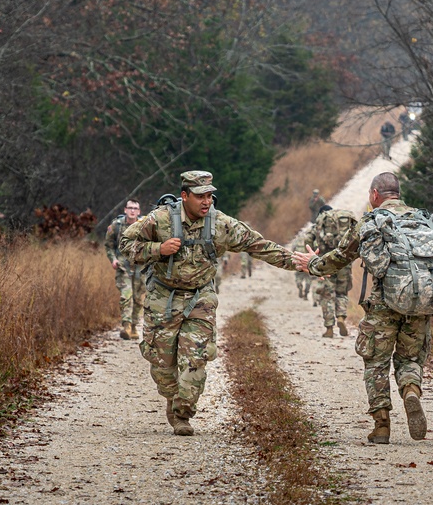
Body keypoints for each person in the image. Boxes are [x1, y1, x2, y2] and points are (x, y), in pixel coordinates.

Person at [292, 172, 433, 445]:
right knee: (410, 359)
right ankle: (411, 390)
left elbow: (341, 256)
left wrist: (312, 265)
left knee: (375, 361)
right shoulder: (427, 220)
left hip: (384, 304)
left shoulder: (370, 221)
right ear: (398, 193)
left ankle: (382, 426)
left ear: (375, 195)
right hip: (420, 301)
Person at [120, 170, 297, 436]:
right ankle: (172, 399)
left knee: (196, 360)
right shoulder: (160, 219)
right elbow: (126, 243)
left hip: (199, 299)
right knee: (163, 366)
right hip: (162, 299)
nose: (207, 201)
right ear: (184, 196)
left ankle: (182, 414)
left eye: (210, 196)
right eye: (201, 196)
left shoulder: (220, 224)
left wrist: (299, 262)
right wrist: (157, 249)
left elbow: (258, 245)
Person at [305, 205, 356, 338]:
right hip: (344, 262)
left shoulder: (319, 223)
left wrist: (313, 255)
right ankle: (341, 317)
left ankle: (329, 328)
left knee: (327, 295)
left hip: (326, 263)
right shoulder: (343, 221)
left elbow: (307, 240)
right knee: (342, 292)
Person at [104, 198, 146, 340]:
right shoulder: (116, 226)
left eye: (135, 208)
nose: (132, 211)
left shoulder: (144, 226)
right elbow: (108, 245)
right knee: (126, 296)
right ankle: (126, 326)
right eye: (130, 208)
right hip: (123, 267)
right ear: (125, 210)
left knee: (139, 299)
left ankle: (134, 326)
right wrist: (113, 259)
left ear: (139, 211)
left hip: (141, 268)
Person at [291, 225, 315, 300]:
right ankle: (306, 294)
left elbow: (293, 249)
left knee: (298, 276)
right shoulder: (310, 239)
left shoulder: (297, 240)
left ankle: (300, 285)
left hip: (299, 261)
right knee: (308, 279)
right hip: (308, 261)